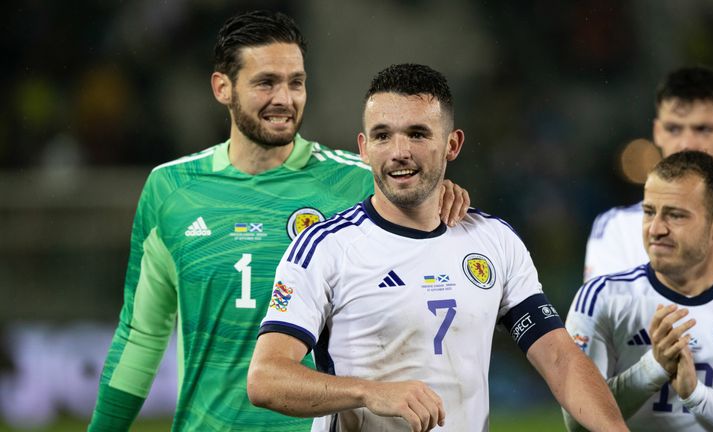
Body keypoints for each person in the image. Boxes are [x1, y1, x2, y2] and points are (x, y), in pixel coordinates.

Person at [87, 11, 469, 431]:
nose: (284, 98)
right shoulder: (170, 191)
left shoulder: (357, 183)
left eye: (296, 82)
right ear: (222, 87)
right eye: (266, 82)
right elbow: (141, 335)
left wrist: (447, 193)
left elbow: (430, 220)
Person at [247, 63, 628, 432]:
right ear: (363, 148)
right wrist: (367, 392)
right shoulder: (325, 249)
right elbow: (266, 379)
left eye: (417, 134)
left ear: (452, 144)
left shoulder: (494, 240)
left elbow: (559, 358)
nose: (399, 151)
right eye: (382, 136)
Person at [565, 150, 713, 431]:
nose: (656, 229)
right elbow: (577, 422)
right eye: (649, 212)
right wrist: (652, 368)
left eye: (675, 216)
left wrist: (696, 396)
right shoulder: (601, 298)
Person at [584, 66, 713, 282]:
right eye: (674, 129)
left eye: (703, 129)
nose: (687, 143)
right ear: (657, 132)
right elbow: (602, 312)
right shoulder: (618, 228)